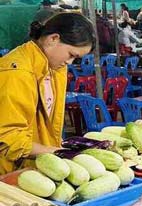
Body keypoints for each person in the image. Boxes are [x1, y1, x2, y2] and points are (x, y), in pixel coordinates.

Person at [0, 13, 95, 174]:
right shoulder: (17, 73)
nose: (70, 62)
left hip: (36, 165)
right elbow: (8, 138)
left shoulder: (54, 67)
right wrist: (61, 154)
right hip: (9, 172)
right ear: (53, 39)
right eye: (71, 55)